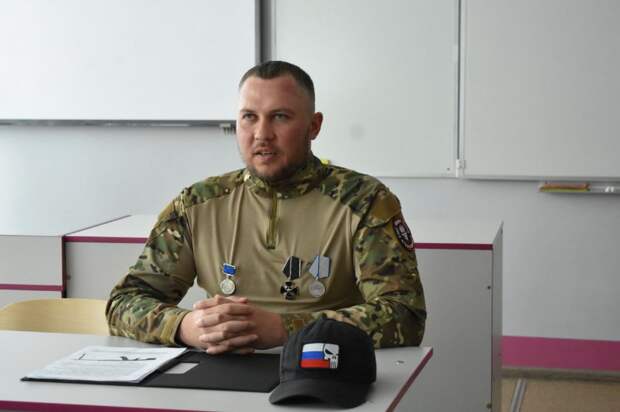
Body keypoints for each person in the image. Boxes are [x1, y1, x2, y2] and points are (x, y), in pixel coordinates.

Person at [106, 61, 426, 354]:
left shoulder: (363, 200)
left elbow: (405, 315)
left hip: (323, 367)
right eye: (249, 117)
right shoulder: (197, 203)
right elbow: (124, 302)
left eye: (280, 117)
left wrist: (287, 329)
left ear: (314, 126)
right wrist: (185, 326)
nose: (262, 134)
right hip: (221, 371)